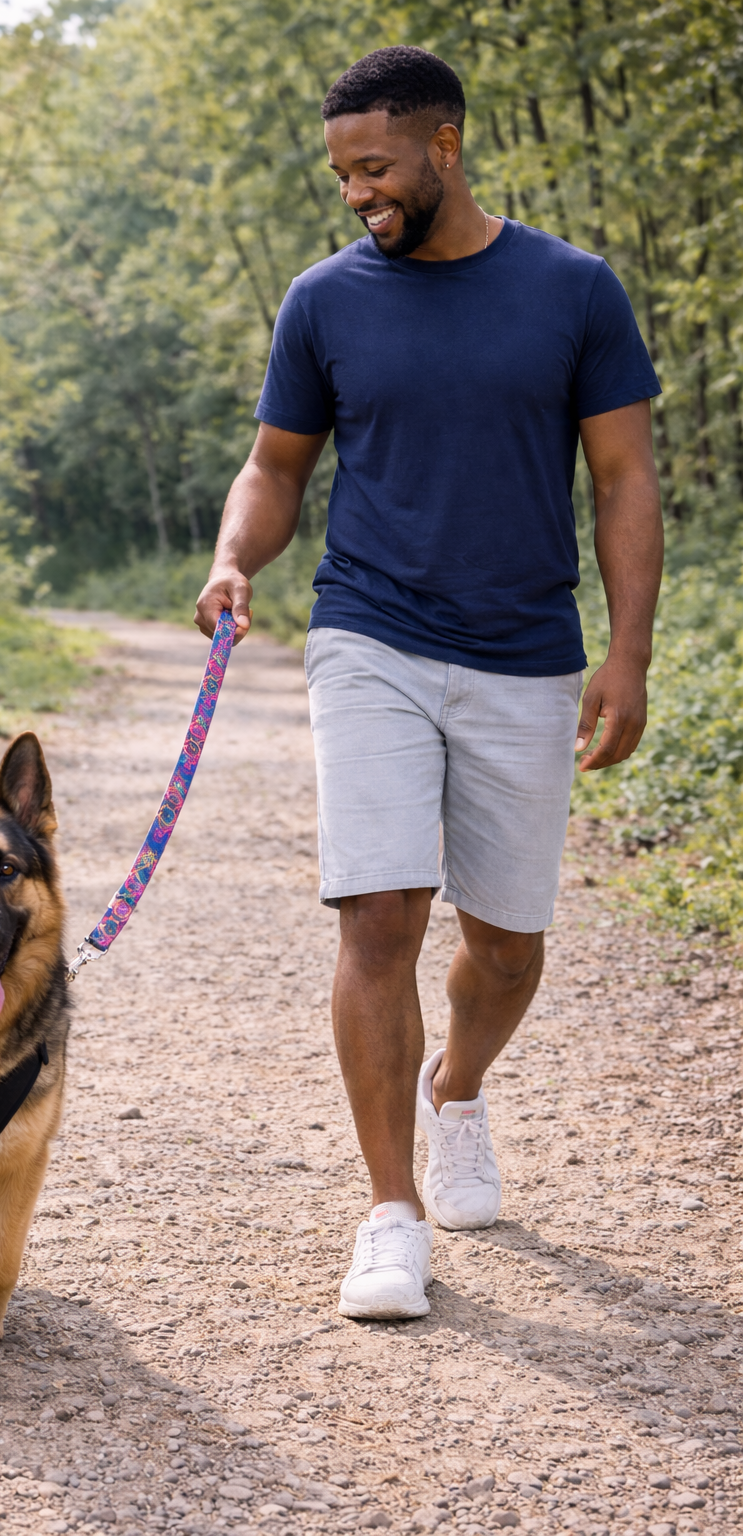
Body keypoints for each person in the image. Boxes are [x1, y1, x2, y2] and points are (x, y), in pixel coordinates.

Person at [194, 45, 663, 1320]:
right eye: (343, 173)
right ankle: (390, 1215)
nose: (358, 193)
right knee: (379, 917)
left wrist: (626, 653)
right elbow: (276, 468)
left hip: (524, 646)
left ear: (445, 146)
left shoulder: (572, 290)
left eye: (378, 167)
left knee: (506, 946)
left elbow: (623, 478)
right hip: (369, 633)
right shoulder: (323, 301)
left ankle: (454, 1092)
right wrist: (238, 558)